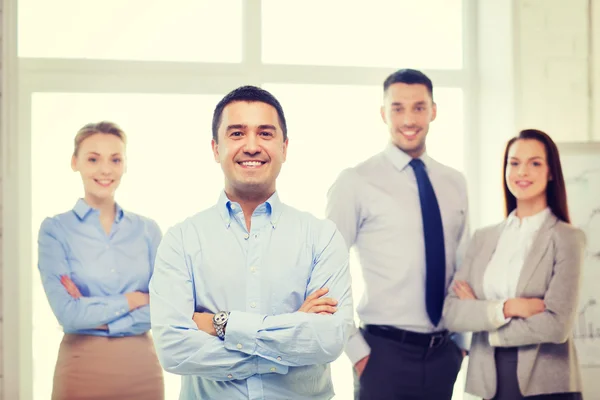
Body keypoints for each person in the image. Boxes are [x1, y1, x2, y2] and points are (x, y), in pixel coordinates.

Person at [149, 85, 354, 400]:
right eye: (236, 133)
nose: (252, 146)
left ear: (285, 147)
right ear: (215, 149)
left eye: (266, 133)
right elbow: (174, 350)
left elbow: (328, 340)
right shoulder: (181, 240)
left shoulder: (321, 237)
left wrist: (222, 324)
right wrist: (290, 334)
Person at [326, 68, 469, 399]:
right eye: (398, 108)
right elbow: (327, 269)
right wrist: (356, 350)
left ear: (433, 111)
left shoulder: (455, 182)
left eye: (419, 107)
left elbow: (464, 263)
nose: (409, 119)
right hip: (382, 356)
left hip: (443, 354)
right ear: (383, 113)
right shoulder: (356, 181)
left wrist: (462, 343)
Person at [443, 129, 585, 400]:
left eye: (535, 163)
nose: (522, 172)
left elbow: (558, 325)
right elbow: (452, 313)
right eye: (514, 163)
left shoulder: (567, 238)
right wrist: (509, 307)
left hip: (547, 385)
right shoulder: (483, 238)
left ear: (551, 172)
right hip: (488, 383)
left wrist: (486, 323)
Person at [37, 121, 164, 399]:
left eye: (115, 159)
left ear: (125, 165)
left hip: (142, 370)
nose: (105, 169)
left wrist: (90, 312)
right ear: (75, 162)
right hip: (81, 369)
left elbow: (165, 307)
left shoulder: (147, 230)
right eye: (93, 159)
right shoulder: (55, 230)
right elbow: (67, 313)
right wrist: (134, 299)